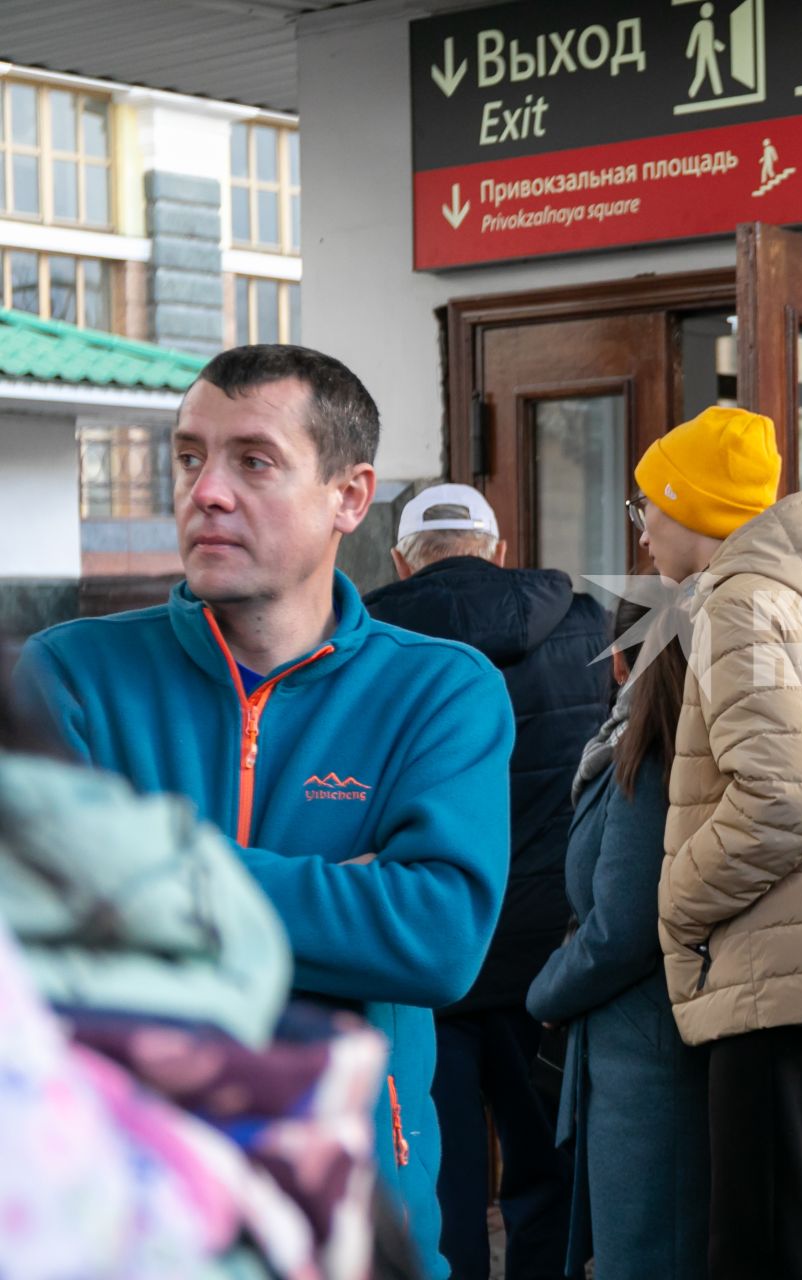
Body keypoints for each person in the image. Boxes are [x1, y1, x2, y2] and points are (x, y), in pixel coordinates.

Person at [11, 343, 514, 1280]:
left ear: (350, 497)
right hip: (124, 1227)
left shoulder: (440, 691)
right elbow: (41, 949)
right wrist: (350, 902)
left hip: (358, 1223)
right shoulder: (71, 674)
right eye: (189, 455)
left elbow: (438, 940)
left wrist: (140, 869)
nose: (206, 490)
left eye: (254, 460)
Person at [638, 405, 802, 1280]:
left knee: (761, 1246)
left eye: (651, 504)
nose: (642, 529)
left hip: (772, 972)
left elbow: (790, 802)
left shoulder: (737, 604)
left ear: (695, 510)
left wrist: (679, 898)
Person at [363, 483, 608, 1280]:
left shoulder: (366, 640)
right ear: (499, 550)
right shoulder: (585, 629)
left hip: (426, 953)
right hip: (552, 955)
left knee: (439, 1184)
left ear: (403, 559)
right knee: (546, 1175)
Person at [526, 599, 708, 1280]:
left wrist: (547, 989)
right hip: (641, 1048)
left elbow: (625, 925)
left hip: (648, 1059)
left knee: (647, 1256)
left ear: (627, 660)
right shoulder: (649, 741)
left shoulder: (654, 754)